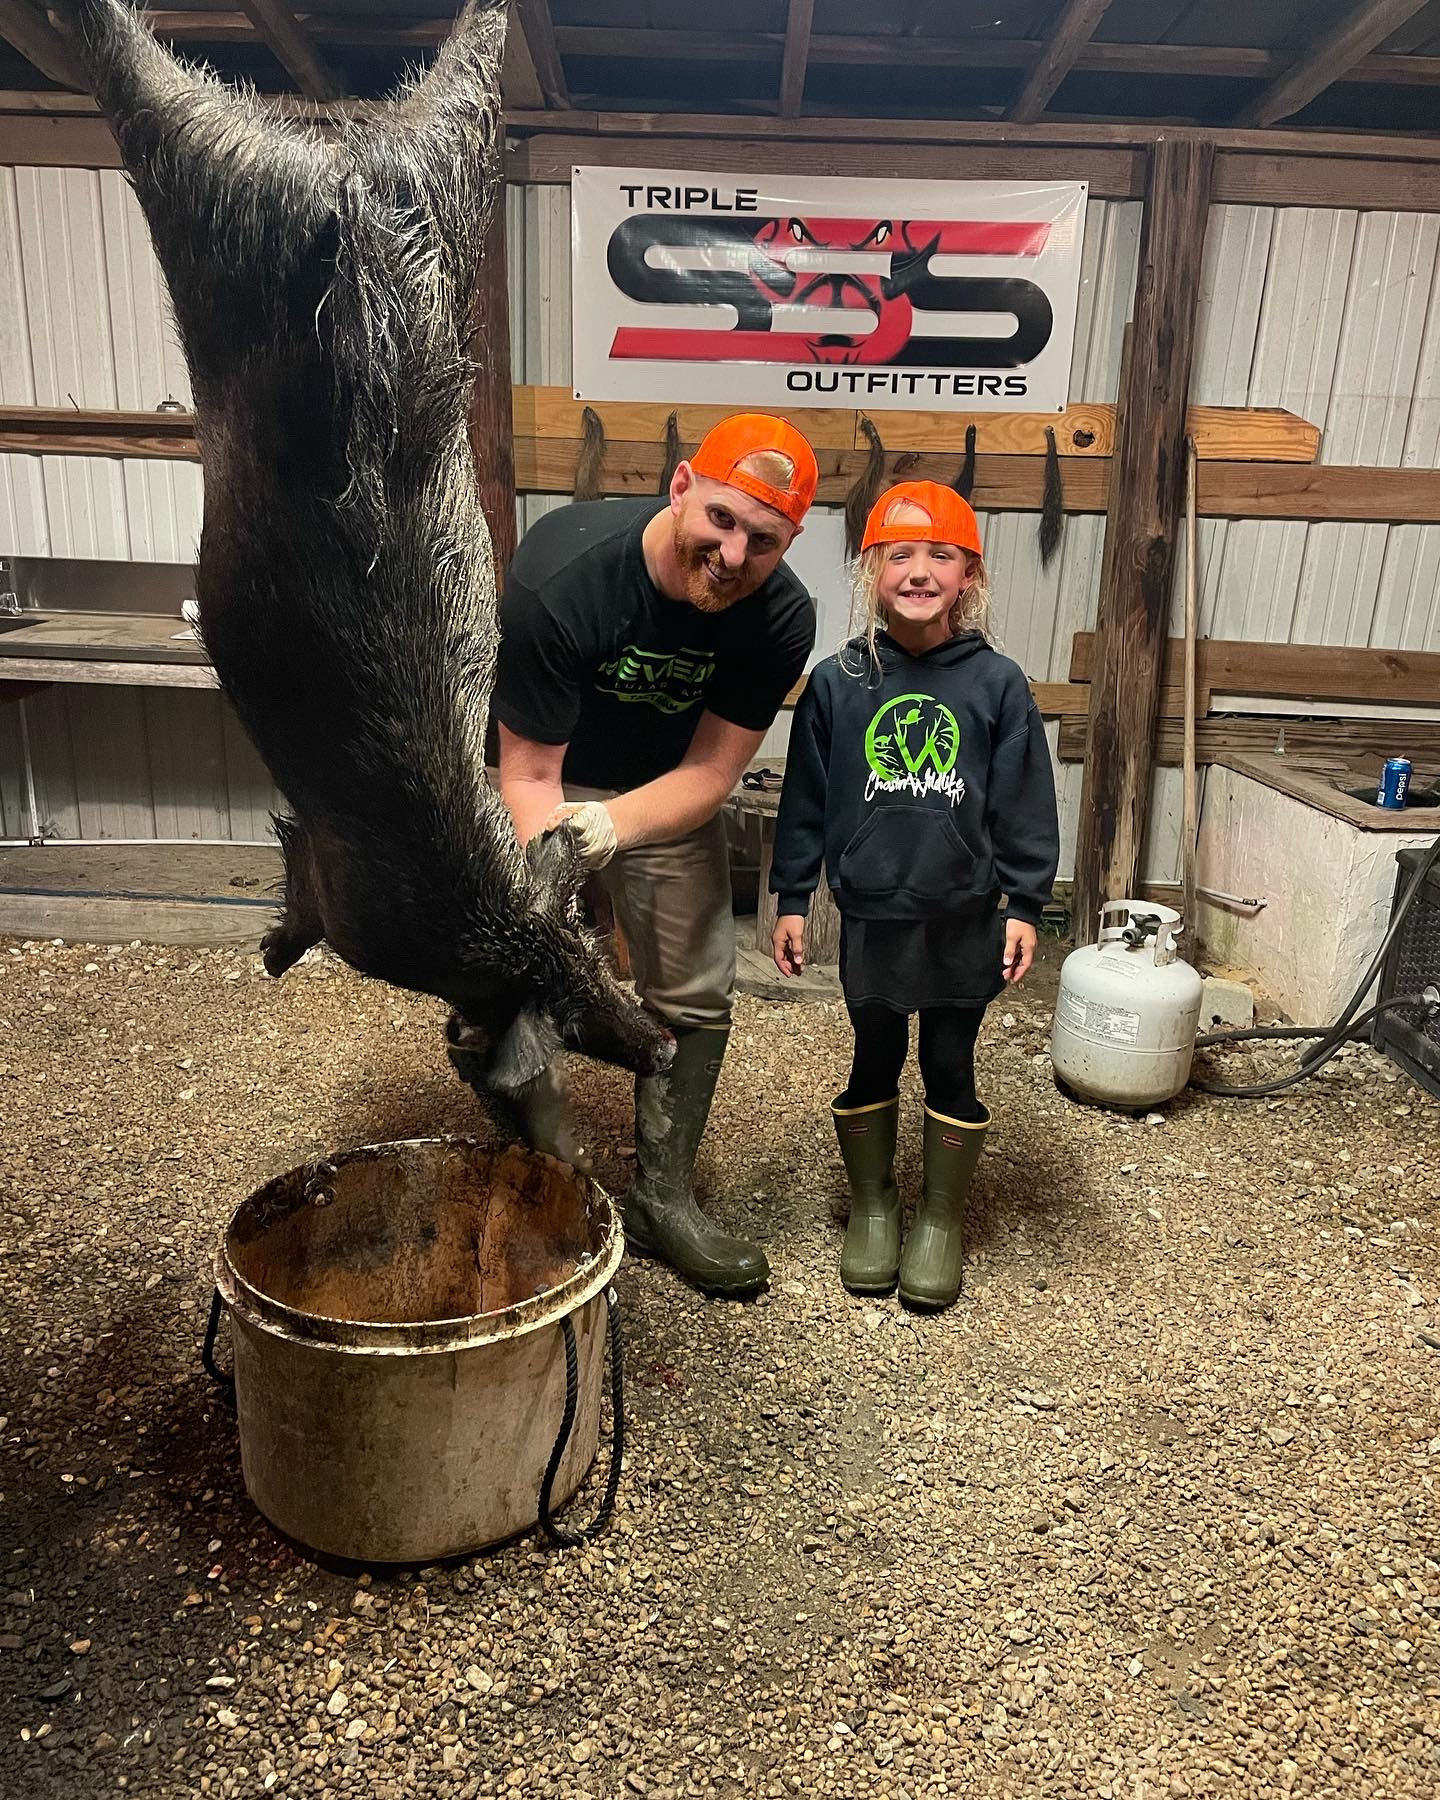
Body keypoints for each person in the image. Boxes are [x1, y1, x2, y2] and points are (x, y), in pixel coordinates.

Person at [474, 413, 820, 1298]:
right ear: (680, 488)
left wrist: (614, 826)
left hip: (663, 789)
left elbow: (712, 772)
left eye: (763, 540)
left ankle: (663, 1198)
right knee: (515, 967)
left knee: (697, 983)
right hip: (540, 774)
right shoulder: (564, 574)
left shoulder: (781, 618)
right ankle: (546, 1182)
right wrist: (558, 889)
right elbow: (529, 773)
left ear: (789, 543)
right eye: (721, 519)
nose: (734, 555)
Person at [769, 480, 1059, 1310]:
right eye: (900, 555)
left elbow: (1024, 801)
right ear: (872, 571)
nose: (920, 571)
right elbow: (805, 799)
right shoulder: (838, 682)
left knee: (948, 1062)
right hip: (873, 912)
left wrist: (1024, 904)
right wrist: (792, 896)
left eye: (941, 556)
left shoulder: (997, 683)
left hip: (964, 914)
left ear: (970, 576)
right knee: (874, 1053)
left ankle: (939, 1217)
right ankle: (873, 1205)